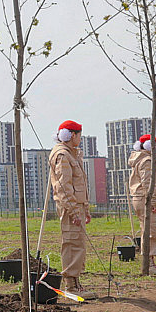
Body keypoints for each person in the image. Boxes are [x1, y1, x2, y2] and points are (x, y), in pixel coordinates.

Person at [48, 120, 97, 300]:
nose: (80, 139)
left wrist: (85, 208)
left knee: (78, 243)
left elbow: (78, 185)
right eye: (79, 135)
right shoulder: (63, 155)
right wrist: (74, 211)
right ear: (72, 135)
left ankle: (75, 283)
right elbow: (64, 188)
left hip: (77, 205)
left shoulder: (71, 154)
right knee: (72, 243)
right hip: (71, 207)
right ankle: (71, 285)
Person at [127, 134, 156, 266]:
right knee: (152, 231)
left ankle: (148, 261)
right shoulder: (147, 161)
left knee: (147, 230)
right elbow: (148, 184)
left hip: (141, 198)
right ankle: (149, 263)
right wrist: (155, 203)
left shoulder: (141, 159)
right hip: (146, 200)